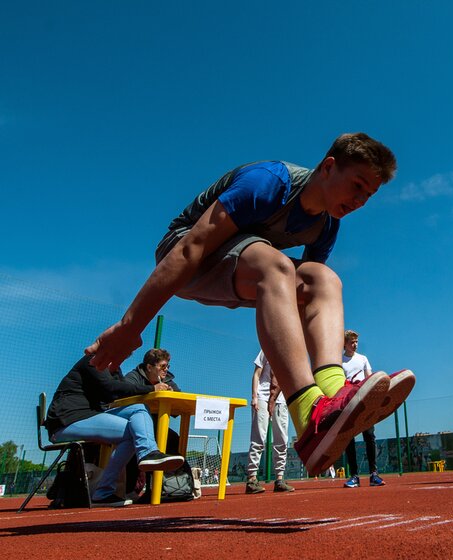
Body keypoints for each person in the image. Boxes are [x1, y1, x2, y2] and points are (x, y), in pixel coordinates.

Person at [85, 133, 414, 475]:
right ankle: (309, 410)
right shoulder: (270, 182)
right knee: (277, 266)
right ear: (329, 167)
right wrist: (130, 326)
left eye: (369, 195)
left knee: (325, 279)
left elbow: (306, 304)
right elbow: (190, 248)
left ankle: (332, 395)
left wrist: (288, 374)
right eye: (357, 185)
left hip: (248, 270)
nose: (360, 200)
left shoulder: (326, 226)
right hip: (185, 256)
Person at [45, 355, 185, 507]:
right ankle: (106, 489)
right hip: (67, 420)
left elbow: (122, 391)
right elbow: (111, 389)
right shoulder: (94, 360)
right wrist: (152, 388)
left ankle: (147, 453)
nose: (131, 353)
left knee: (139, 408)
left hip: (91, 415)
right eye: (129, 348)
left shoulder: (115, 368)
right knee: (134, 430)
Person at [123, 348, 182, 499]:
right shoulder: (134, 376)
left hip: (157, 424)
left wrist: (173, 395)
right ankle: (129, 488)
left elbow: (180, 403)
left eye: (168, 366)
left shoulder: (167, 379)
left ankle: (168, 486)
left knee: (174, 439)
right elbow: (124, 390)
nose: (166, 370)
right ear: (149, 367)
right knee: (132, 441)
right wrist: (152, 389)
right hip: (133, 424)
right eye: (163, 366)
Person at [246, 349, 295, 494]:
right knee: (258, 438)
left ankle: (279, 479)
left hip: (281, 400)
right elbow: (257, 373)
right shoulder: (266, 349)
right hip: (262, 397)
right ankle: (252, 479)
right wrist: (254, 396)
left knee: (281, 440)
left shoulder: (290, 352)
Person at [341, 330, 384, 488]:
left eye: (356, 342)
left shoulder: (363, 359)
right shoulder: (339, 362)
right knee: (349, 439)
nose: (355, 345)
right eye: (352, 342)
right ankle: (354, 476)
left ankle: (374, 475)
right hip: (348, 404)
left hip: (364, 403)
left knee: (369, 436)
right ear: (344, 343)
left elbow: (370, 379)